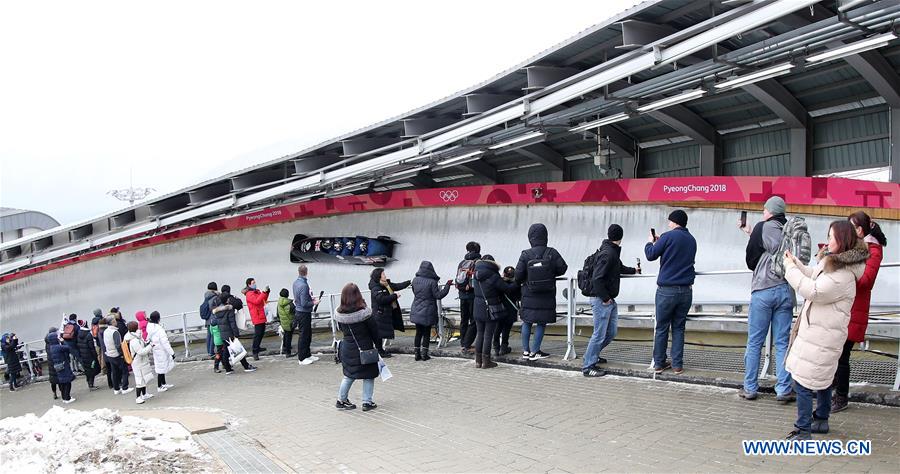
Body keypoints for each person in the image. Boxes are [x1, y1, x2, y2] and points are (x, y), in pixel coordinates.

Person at [783, 220, 868, 440]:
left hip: (822, 336)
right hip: (820, 333)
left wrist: (790, 270)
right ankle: (820, 419)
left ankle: (803, 430)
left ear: (842, 240)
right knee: (822, 379)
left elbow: (813, 291)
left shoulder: (843, 274)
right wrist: (797, 264)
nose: (828, 240)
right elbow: (814, 274)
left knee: (802, 382)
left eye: (831, 237)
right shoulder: (834, 263)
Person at [738, 196, 796, 402]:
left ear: (771, 210)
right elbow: (776, 250)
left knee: (755, 342)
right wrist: (751, 233)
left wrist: (753, 233)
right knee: (782, 342)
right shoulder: (790, 229)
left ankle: (750, 388)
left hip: (763, 289)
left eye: (764, 209)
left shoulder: (763, 227)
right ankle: (783, 389)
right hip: (786, 290)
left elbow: (751, 259)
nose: (763, 213)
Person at [833, 211, 887, 412]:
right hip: (842, 305)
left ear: (861, 229)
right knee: (836, 351)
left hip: (856, 308)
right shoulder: (850, 247)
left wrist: (845, 270)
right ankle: (832, 390)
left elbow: (867, 281)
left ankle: (841, 397)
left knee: (843, 354)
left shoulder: (873, 249)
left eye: (853, 226)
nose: (849, 230)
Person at [582, 224, 638, 377]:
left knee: (611, 332)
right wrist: (606, 298)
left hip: (608, 300)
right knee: (599, 334)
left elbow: (618, 268)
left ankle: (591, 355)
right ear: (621, 237)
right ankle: (588, 366)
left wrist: (634, 270)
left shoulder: (611, 252)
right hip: (602, 300)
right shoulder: (608, 254)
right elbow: (597, 278)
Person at [644, 209, 696, 375]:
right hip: (686, 291)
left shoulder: (667, 236)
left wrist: (650, 242)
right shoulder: (692, 240)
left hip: (667, 291)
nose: (668, 224)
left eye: (670, 221)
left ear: (675, 222)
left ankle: (659, 363)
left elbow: (651, 255)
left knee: (662, 327)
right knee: (679, 327)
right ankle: (677, 365)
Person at [515, 223, 568, 361]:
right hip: (546, 294)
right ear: (545, 236)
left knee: (526, 321)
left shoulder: (525, 254)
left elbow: (518, 275)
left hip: (528, 293)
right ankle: (535, 351)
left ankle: (526, 351)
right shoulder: (552, 252)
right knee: (541, 323)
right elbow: (562, 268)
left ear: (530, 237)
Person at [334, 283, 380, 411]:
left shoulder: (339, 315)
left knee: (349, 375)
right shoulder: (365, 314)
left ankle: (341, 400)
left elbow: (341, 330)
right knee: (369, 375)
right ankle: (367, 402)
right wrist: (379, 346)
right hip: (364, 349)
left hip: (347, 348)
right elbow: (374, 332)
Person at [473, 255, 519, 369]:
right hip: (490, 308)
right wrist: (517, 282)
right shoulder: (493, 275)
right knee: (488, 335)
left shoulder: (476, 274)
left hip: (477, 306)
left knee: (480, 334)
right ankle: (486, 361)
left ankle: (478, 361)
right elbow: (506, 289)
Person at [409, 261, 453, 361]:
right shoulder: (432, 282)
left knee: (418, 332)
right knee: (426, 333)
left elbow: (415, 292)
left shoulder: (415, 280)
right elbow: (438, 295)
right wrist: (447, 285)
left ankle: (417, 354)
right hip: (428, 310)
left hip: (416, 308)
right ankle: (424, 354)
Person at [212, 285, 257, 374]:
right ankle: (246, 366)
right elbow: (232, 323)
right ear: (227, 300)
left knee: (225, 351)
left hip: (223, 334)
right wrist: (236, 334)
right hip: (230, 334)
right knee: (238, 350)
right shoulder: (229, 310)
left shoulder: (217, 312)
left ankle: (228, 368)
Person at [369, 268, 411, 358]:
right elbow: (381, 299)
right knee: (379, 334)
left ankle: (380, 350)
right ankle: (380, 351)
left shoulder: (386, 285)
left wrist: (409, 282)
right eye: (383, 274)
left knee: (381, 333)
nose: (385, 276)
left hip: (385, 312)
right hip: (379, 313)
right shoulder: (376, 287)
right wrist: (394, 296)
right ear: (379, 276)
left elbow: (396, 286)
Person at [457, 242, 481, 354]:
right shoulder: (478, 262)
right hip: (472, 294)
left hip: (462, 294)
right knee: (474, 319)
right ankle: (467, 345)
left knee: (464, 319)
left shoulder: (462, 262)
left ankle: (463, 343)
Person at [293, 265, 319, 365]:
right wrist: (314, 303)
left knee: (307, 334)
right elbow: (304, 303)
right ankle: (302, 357)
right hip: (303, 312)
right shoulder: (304, 285)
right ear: (306, 272)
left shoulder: (296, 283)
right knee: (304, 335)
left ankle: (307, 354)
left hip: (300, 312)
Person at [125, 321, 156, 404]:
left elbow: (142, 345)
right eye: (137, 326)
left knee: (144, 378)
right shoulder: (134, 340)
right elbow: (141, 352)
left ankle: (144, 394)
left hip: (141, 361)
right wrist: (150, 346)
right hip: (137, 362)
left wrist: (147, 343)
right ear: (135, 328)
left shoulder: (137, 337)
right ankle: (138, 397)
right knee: (140, 380)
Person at [493, 266, 521, 357]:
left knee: (498, 327)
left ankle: (496, 346)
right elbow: (519, 297)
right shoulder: (517, 284)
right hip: (511, 310)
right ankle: (504, 347)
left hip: (500, 309)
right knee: (506, 329)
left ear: (504, 274)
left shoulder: (500, 283)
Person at [146, 311, 176, 392]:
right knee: (161, 369)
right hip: (162, 350)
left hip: (156, 350)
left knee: (161, 367)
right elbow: (165, 342)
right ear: (158, 318)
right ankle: (159, 386)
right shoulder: (159, 329)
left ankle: (163, 383)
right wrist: (172, 352)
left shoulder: (149, 327)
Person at [242, 278, 271, 361]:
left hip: (261, 314)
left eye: (255, 282)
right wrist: (264, 292)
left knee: (261, 333)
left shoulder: (256, 291)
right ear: (249, 285)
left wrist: (267, 292)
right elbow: (257, 301)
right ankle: (255, 351)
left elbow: (263, 300)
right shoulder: (249, 294)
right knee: (258, 334)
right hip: (256, 315)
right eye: (253, 283)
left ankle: (257, 347)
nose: (255, 284)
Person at [103, 315, 132, 394]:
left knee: (114, 372)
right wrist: (122, 354)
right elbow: (118, 345)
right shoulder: (115, 332)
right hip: (117, 354)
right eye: (114, 320)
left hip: (109, 354)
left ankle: (116, 389)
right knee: (124, 371)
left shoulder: (106, 331)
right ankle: (125, 388)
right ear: (112, 322)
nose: (116, 322)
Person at [48, 330, 77, 403]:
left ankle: (64, 397)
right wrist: (63, 341)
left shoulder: (51, 347)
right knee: (67, 382)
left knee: (63, 383)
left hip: (58, 367)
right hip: (64, 366)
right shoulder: (57, 347)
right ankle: (67, 398)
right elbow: (68, 347)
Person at [75, 319, 100, 390]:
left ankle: (89, 383)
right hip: (90, 356)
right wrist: (95, 356)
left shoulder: (79, 334)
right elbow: (91, 347)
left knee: (88, 370)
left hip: (83, 356)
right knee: (93, 369)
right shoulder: (88, 335)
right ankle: (91, 384)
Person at [202, 282, 219, 358]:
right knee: (213, 335)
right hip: (213, 318)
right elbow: (214, 308)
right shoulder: (214, 297)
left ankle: (209, 351)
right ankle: (211, 352)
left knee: (209, 335)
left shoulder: (206, 296)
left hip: (208, 319)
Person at [277, 288, 296, 357]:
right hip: (289, 322)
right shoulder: (289, 304)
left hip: (283, 322)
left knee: (286, 335)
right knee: (289, 337)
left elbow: (277, 314)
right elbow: (294, 312)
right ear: (287, 295)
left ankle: (285, 347)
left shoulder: (279, 303)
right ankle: (288, 352)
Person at [45, 328, 61, 399]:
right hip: (56, 361)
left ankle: (54, 393)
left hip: (50, 362)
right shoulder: (54, 342)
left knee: (53, 379)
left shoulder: (47, 342)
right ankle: (62, 392)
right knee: (60, 378)